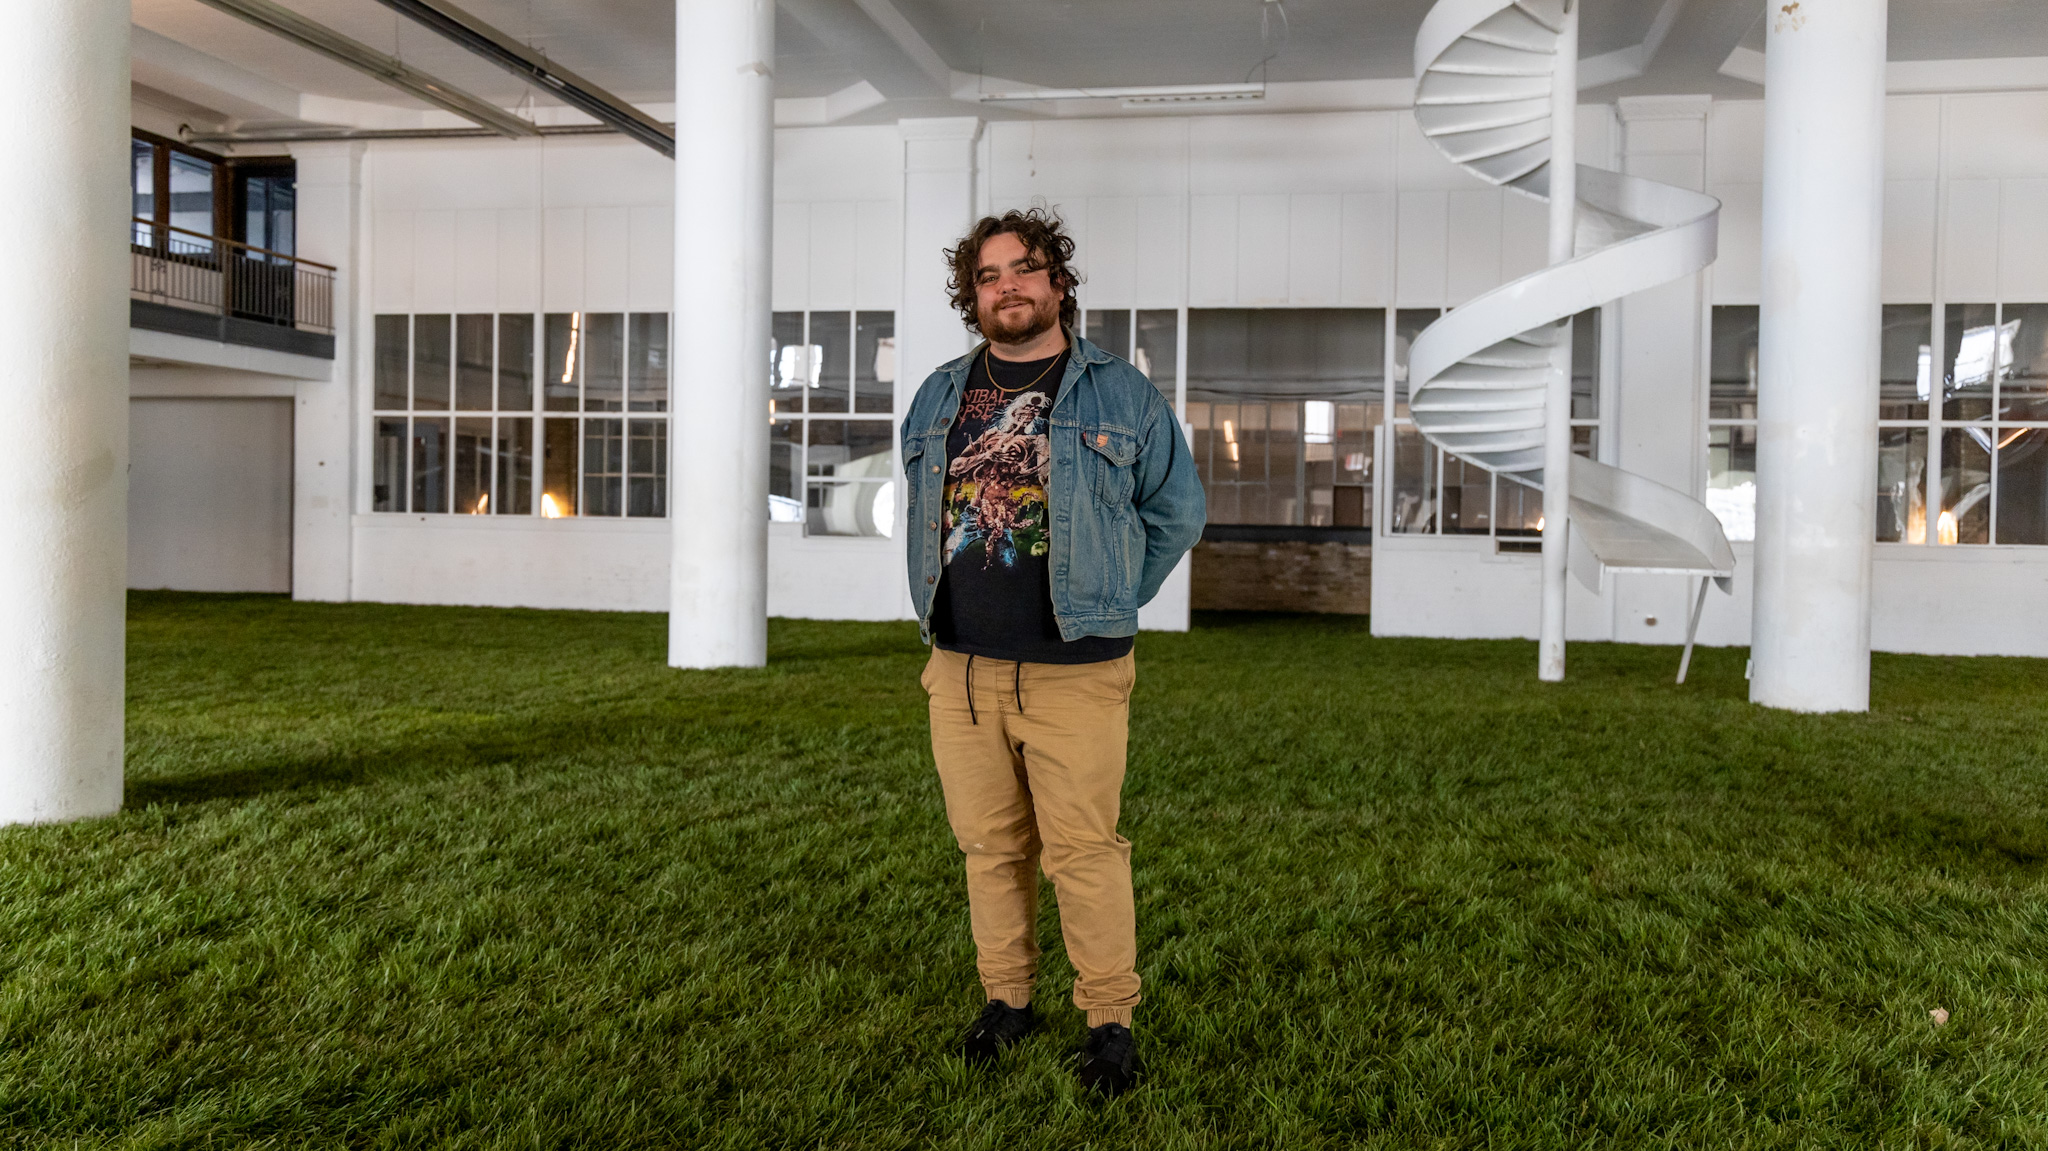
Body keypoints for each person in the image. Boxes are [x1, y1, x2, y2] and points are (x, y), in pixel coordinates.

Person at [899, 208, 1205, 1097]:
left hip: (1077, 670)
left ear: (1057, 282)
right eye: (989, 276)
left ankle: (1110, 1019)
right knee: (989, 848)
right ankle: (1008, 1000)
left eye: (1025, 269)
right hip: (959, 670)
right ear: (974, 296)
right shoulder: (938, 395)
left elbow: (1177, 512)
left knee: (1084, 850)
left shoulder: (1120, 394)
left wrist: (1110, 596)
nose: (1009, 287)